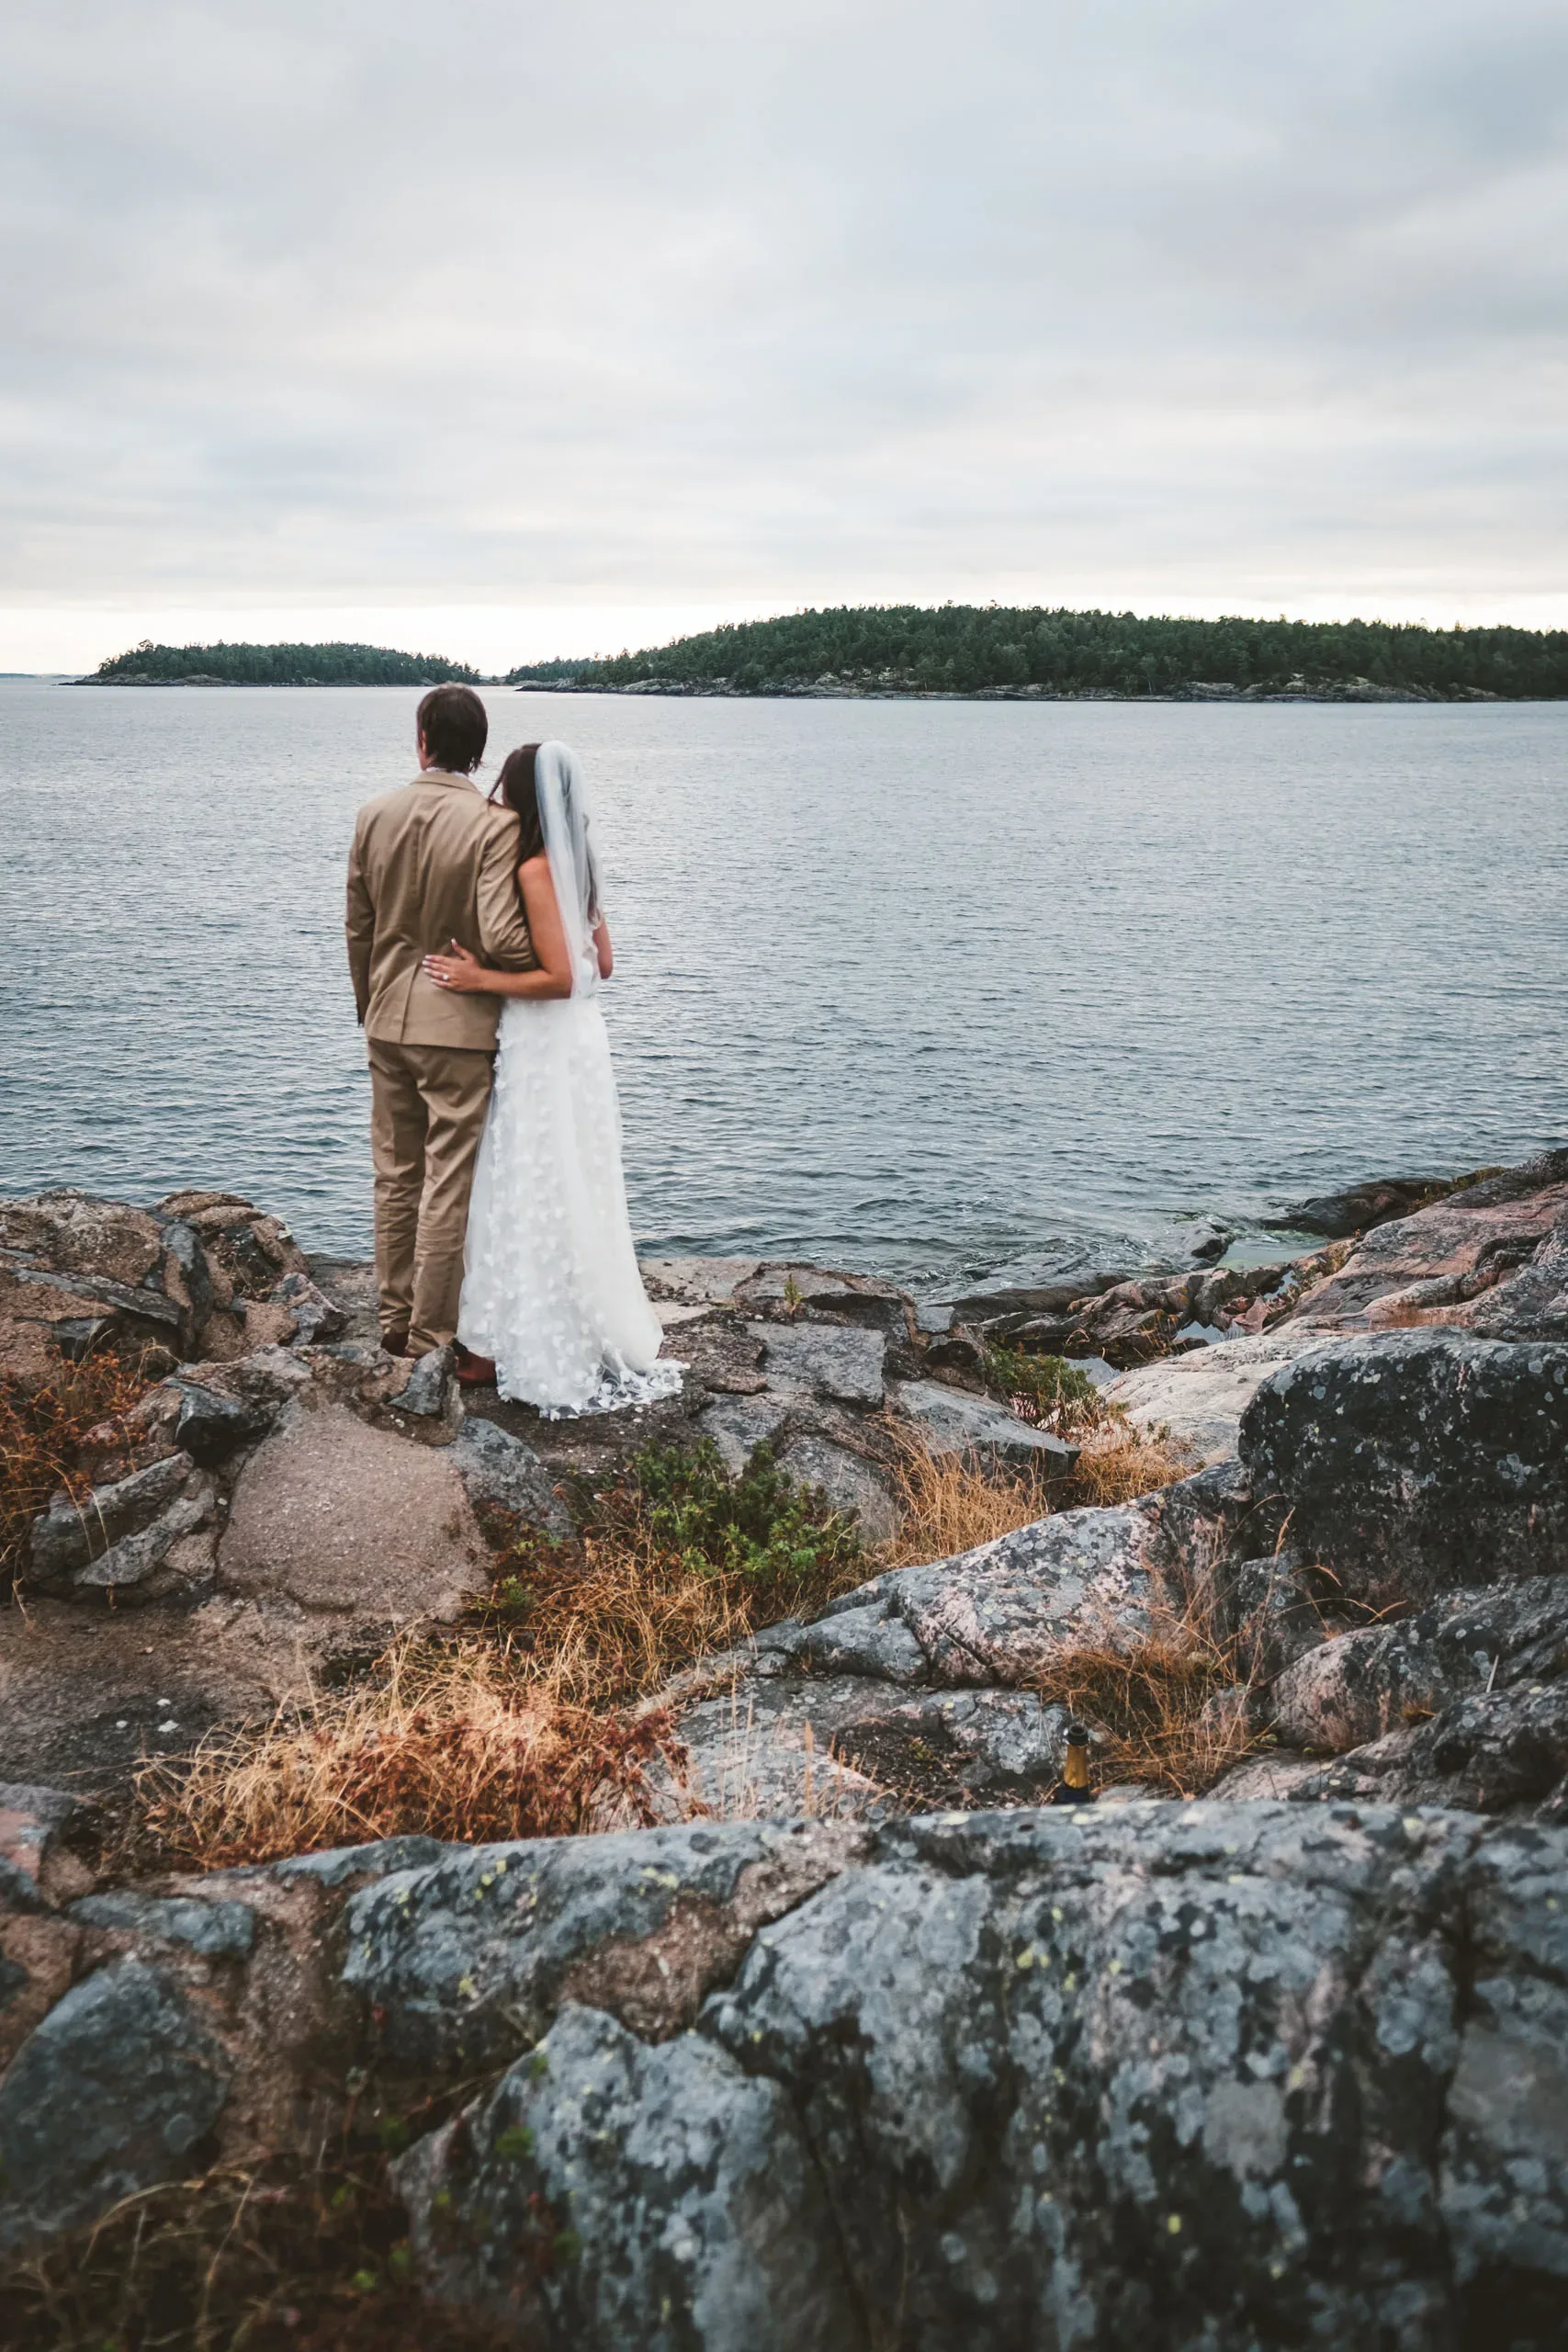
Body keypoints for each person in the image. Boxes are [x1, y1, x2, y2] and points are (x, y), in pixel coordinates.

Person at [423, 740, 681, 1417]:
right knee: (573, 1178)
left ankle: (507, 1343)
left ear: (521, 796)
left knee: (525, 1176)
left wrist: (480, 977)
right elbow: (605, 965)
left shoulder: (537, 869)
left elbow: (563, 977)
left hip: (542, 1041)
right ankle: (563, 1321)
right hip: (582, 1046)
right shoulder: (579, 865)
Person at [345, 684, 537, 1358]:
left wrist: (370, 1006)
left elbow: (359, 927)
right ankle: (432, 1334)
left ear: (422, 739)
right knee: (446, 1178)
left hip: (386, 1017)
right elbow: (503, 937)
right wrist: (537, 960)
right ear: (478, 750)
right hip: (457, 1024)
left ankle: (392, 1322)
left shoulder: (375, 813)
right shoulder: (495, 825)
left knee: (394, 1176)